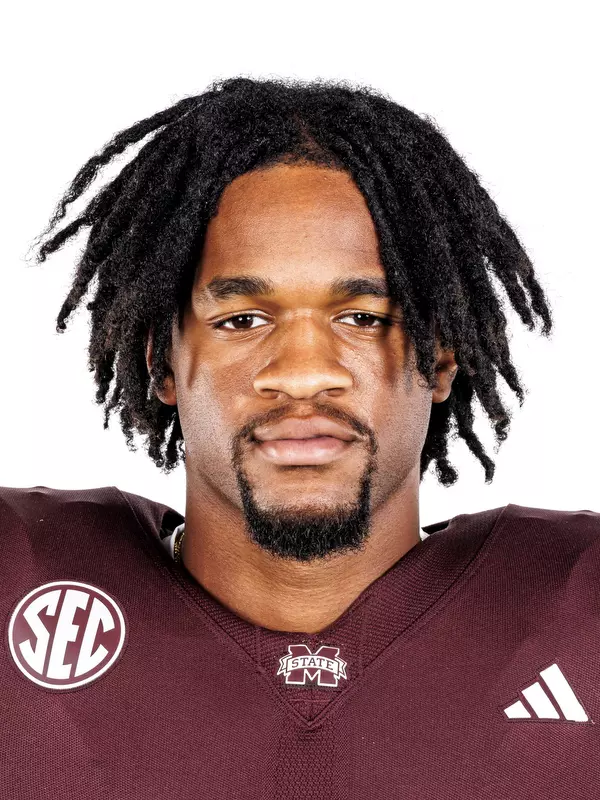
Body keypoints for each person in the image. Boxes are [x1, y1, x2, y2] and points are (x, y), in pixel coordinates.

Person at [2, 76, 598, 799]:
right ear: (162, 360)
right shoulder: (19, 574)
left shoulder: (580, 604)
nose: (305, 374)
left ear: (442, 355)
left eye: (363, 318)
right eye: (243, 320)